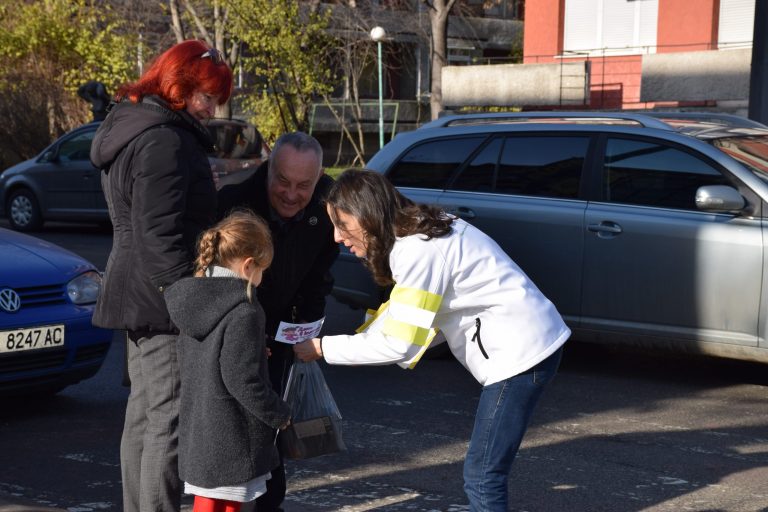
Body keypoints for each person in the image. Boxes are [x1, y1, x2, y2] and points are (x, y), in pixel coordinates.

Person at [294, 169, 570, 512]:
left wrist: (323, 348)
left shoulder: (416, 250)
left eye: (342, 223)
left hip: (520, 355)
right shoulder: (422, 228)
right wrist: (357, 337)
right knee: (484, 472)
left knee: (483, 475)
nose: (336, 236)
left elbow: (401, 344)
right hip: (530, 342)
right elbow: (404, 313)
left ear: (366, 215)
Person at [89, 40, 233, 512]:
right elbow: (159, 235)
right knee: (165, 423)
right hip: (161, 299)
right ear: (180, 85)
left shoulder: (138, 126)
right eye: (207, 96)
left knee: (146, 418)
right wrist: (187, 303)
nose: (213, 109)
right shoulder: (164, 140)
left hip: (138, 292)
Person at [216, 131, 339, 512]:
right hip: (236, 326)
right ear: (268, 168)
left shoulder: (328, 205)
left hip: (287, 329)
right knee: (233, 425)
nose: (291, 194)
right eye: (283, 181)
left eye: (304, 185)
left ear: (318, 179)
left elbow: (320, 275)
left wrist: (307, 327)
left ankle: (270, 504)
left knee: (274, 424)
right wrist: (244, 329)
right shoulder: (232, 201)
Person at [164, 211, 292, 512]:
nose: (262, 279)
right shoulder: (244, 311)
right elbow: (242, 380)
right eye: (262, 270)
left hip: (203, 433)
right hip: (234, 437)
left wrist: (254, 352)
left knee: (207, 505)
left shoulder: (194, 300)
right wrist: (279, 413)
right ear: (248, 266)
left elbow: (210, 357)